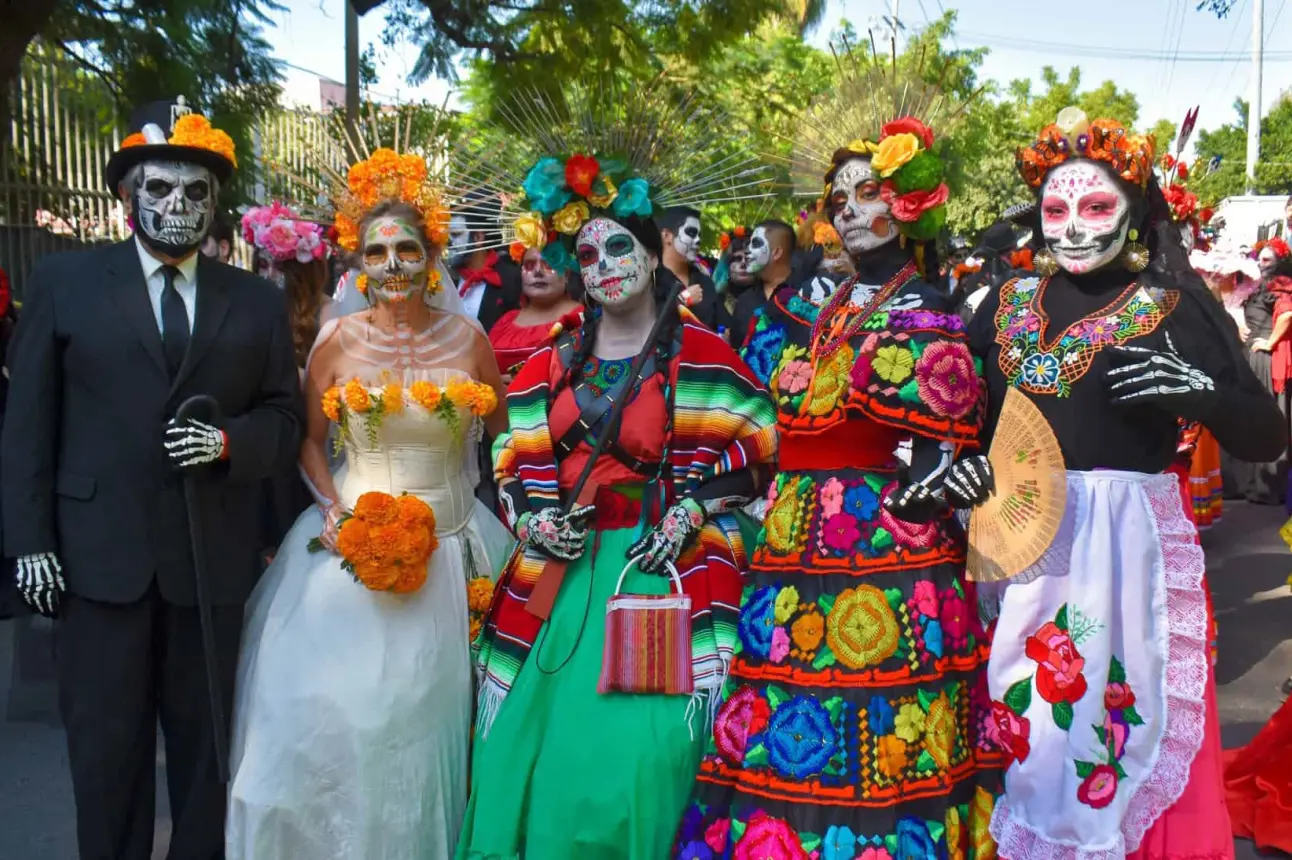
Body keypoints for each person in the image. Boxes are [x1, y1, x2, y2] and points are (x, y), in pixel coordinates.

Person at [676, 63, 1003, 856]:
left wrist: (928, 492)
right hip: (795, 545)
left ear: (910, 202)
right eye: (840, 201)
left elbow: (939, 449)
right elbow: (798, 432)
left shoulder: (926, 306)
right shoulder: (833, 308)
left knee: (880, 737)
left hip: (882, 553)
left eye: (869, 193)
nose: (852, 212)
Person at [458, 84, 778, 859]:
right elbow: (511, 456)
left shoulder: (701, 356)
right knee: (518, 761)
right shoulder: (548, 362)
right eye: (589, 254)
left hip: (653, 578)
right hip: (555, 577)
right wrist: (532, 515)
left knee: (632, 766)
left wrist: (691, 510)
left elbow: (755, 447)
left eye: (620, 248)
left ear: (649, 250)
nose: (604, 266)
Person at [958, 108, 1284, 859]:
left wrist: (1202, 393)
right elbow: (969, 426)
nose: (1073, 227)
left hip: (1124, 553)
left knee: (1120, 725)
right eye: (1056, 209)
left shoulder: (1174, 307)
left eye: (1097, 206)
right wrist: (968, 474)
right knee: (1028, 734)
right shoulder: (1004, 307)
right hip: (1020, 545)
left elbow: (1266, 436)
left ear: (1134, 211)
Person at [1, 97, 303, 860]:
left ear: (218, 203)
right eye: (160, 189)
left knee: (206, 759)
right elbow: (28, 425)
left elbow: (284, 419)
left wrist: (229, 442)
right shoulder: (65, 284)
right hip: (99, 564)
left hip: (211, 565)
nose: (179, 205)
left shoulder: (257, 302)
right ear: (126, 195)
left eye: (196, 192)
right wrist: (30, 542)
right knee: (105, 759)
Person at [226, 142, 513, 860]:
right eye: (377, 253)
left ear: (432, 255)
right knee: (341, 718)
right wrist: (332, 510)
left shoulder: (474, 341)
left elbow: (507, 442)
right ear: (356, 262)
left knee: (435, 720)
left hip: (455, 553)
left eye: (408, 249)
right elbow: (308, 441)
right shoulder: (335, 342)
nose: (392, 267)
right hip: (350, 553)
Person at [1230, 236, 1292, 504]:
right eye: (1261, 258)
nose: (1263, 263)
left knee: (1267, 419)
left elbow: (1288, 313)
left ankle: (1266, 487)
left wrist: (1270, 341)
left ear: (1278, 261)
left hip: (1263, 358)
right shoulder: (1253, 283)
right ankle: (1245, 483)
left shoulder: (1280, 284)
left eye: (1268, 259)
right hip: (1249, 356)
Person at [490, 245, 583, 382]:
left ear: (567, 274)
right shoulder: (505, 321)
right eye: (529, 265)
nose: (538, 271)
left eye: (549, 265)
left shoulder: (580, 318)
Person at [446, 189, 523, 333]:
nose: (448, 242)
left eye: (456, 235)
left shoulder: (512, 279)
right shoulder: (445, 279)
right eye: (447, 236)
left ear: (478, 238)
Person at [729, 218, 795, 350]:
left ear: (776, 253)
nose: (747, 250)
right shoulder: (744, 302)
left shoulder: (806, 292)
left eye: (755, 244)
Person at [658, 205, 720, 329]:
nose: (698, 240)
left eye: (699, 235)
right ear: (667, 236)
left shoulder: (705, 282)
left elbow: (721, 324)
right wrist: (682, 300)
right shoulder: (651, 278)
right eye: (691, 233)